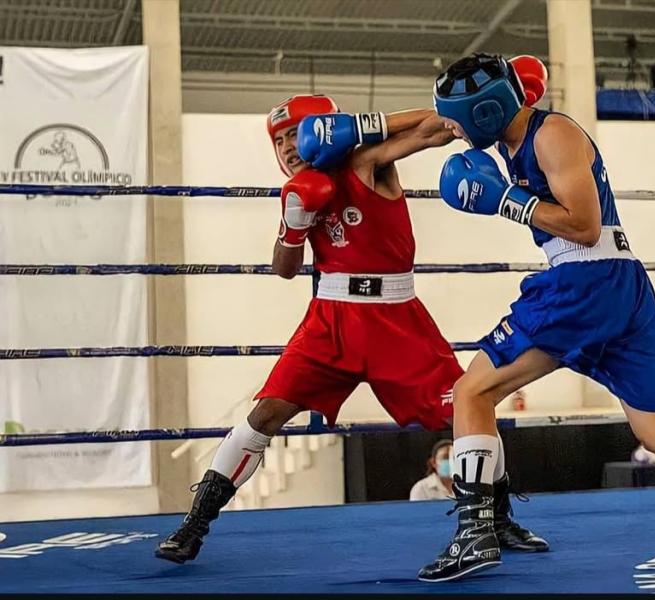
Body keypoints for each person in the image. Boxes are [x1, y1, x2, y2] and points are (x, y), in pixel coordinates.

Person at [417, 53, 655, 583]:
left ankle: (475, 534)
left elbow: (582, 224)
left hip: (584, 282)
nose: (454, 132)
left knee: (472, 393)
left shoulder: (552, 135)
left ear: (484, 112)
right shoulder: (516, 142)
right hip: (617, 288)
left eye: (458, 121)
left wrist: (505, 201)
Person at [155, 95, 546, 564]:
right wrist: (292, 227)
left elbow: (430, 128)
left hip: (397, 321)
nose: (287, 149)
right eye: (278, 142)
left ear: (323, 129)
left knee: (467, 410)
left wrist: (471, 113)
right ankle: (193, 526)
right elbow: (284, 268)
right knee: (264, 416)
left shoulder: (366, 161)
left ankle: (497, 521)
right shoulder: (300, 190)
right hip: (330, 319)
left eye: (294, 135)